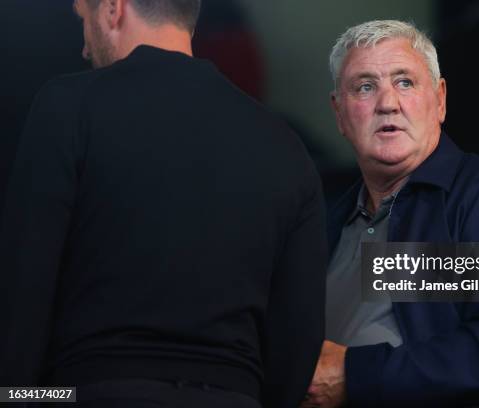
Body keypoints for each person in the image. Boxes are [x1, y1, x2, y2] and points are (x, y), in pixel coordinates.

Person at [0, 0, 327, 407]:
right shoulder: (285, 147)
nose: (84, 47)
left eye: (83, 21)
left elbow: (23, 300)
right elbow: (298, 339)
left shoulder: (67, 106)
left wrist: (27, 398)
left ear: (113, 9)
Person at [303, 20, 479, 407]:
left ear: (440, 100)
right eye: (364, 86)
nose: (388, 102)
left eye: (405, 82)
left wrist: (355, 374)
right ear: (340, 113)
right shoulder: (325, 222)